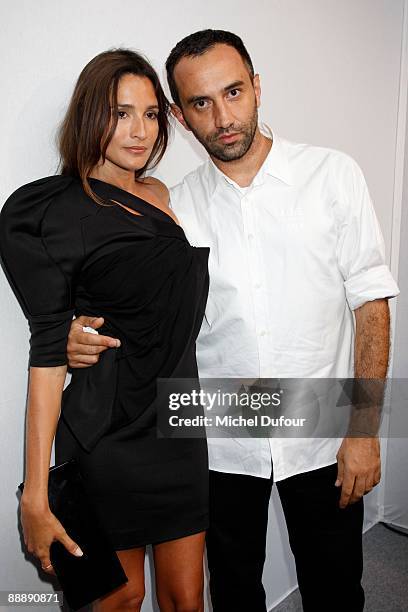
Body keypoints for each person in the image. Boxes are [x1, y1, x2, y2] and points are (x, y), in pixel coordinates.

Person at [66, 30, 400, 612]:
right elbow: (140, 308)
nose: (223, 117)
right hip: (219, 437)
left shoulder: (331, 175)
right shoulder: (175, 206)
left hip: (322, 420)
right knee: (236, 592)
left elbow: (371, 302)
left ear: (258, 88)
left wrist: (364, 429)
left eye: (235, 92)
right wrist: (73, 333)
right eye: (200, 103)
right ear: (181, 115)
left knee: (336, 589)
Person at [0, 48, 210, 612]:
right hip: (107, 435)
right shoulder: (47, 212)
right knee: (120, 598)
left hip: (180, 423)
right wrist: (36, 496)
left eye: (150, 114)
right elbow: (45, 358)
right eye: (122, 114)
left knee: (187, 599)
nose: (140, 131)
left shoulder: (167, 197)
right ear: (91, 114)